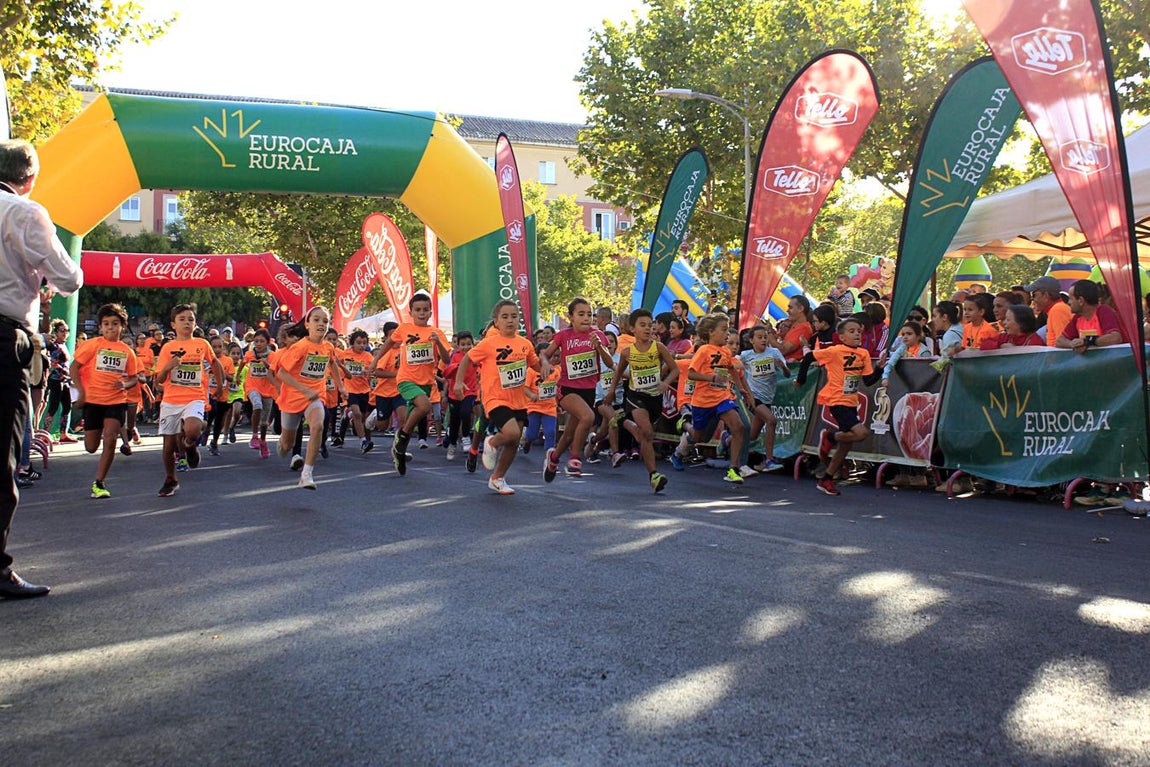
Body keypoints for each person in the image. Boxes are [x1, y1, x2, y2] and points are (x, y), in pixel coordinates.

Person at [0, 138, 84, 598]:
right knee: (4, 460)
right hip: (3, 337)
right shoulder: (25, 212)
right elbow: (69, 277)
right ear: (29, 179)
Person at [453, 300, 542, 494]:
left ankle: (497, 478)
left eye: (514, 316)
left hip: (518, 399)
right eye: (505, 317)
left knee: (514, 440)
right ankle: (491, 442)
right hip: (495, 398)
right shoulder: (489, 343)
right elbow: (467, 358)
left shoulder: (525, 344)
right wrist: (459, 382)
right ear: (496, 321)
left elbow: (535, 364)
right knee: (511, 433)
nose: (510, 320)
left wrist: (544, 366)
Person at [795, 317, 883, 496]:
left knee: (846, 445)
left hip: (851, 402)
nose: (857, 334)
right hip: (836, 400)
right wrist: (801, 379)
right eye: (852, 331)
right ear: (841, 337)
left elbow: (868, 380)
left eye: (859, 331)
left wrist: (880, 368)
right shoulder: (834, 351)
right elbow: (809, 356)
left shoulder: (864, 354)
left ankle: (826, 479)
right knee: (861, 433)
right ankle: (831, 437)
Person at [539, 298, 615, 481]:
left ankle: (554, 458)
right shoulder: (563, 335)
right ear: (570, 317)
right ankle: (574, 460)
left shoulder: (598, 335)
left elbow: (609, 362)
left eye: (589, 314)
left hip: (588, 390)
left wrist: (600, 346)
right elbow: (545, 354)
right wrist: (545, 364)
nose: (586, 318)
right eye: (581, 314)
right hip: (567, 389)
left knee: (568, 436)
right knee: (588, 417)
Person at [154, 304, 225, 497]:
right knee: (168, 446)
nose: (187, 322)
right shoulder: (168, 347)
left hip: (195, 397)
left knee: (193, 429)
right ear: (173, 325)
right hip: (171, 399)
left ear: (195, 324)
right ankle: (171, 479)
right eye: (182, 319)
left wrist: (219, 385)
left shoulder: (202, 344)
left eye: (191, 319)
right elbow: (158, 380)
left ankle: (189, 444)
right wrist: (168, 367)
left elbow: (215, 363)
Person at [69, 303, 139, 499]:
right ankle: (95, 433)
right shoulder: (92, 345)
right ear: (100, 326)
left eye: (115, 323)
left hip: (116, 401)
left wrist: (125, 385)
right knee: (91, 447)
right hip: (93, 401)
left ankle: (99, 482)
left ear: (122, 326)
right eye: (106, 324)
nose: (110, 327)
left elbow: (134, 377)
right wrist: (81, 392)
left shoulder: (127, 351)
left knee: (110, 439)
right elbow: (74, 367)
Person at [376, 294, 451, 476]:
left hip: (425, 383)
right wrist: (374, 361)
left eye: (425, 309)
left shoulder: (436, 333)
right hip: (406, 379)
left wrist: (438, 343)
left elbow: (447, 359)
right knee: (424, 406)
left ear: (430, 312)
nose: (422, 313)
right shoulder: (404, 329)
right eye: (418, 310)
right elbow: (389, 343)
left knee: (411, 421)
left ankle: (399, 450)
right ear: (411, 312)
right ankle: (401, 439)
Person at [605, 309, 678, 493]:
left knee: (646, 435)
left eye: (649, 325)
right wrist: (612, 390)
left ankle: (621, 419)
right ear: (633, 328)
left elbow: (675, 370)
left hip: (655, 397)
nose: (647, 328)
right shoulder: (627, 352)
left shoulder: (659, 348)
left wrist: (665, 382)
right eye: (642, 325)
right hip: (636, 396)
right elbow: (618, 372)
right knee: (646, 431)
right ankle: (654, 475)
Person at [275, 307, 345, 490]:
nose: (321, 324)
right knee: (287, 445)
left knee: (318, 426)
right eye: (316, 320)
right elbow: (281, 373)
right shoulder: (300, 347)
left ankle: (307, 474)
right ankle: (282, 443)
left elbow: (333, 364)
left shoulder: (328, 347)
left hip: (315, 396)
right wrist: (303, 390)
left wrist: (341, 386)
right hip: (292, 398)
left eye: (325, 321)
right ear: (307, 324)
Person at [673, 312, 747, 485]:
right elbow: (691, 373)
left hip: (722, 398)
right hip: (703, 401)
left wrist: (743, 389)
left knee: (739, 427)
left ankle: (734, 469)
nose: (727, 333)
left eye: (728, 329)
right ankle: (685, 424)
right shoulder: (704, 351)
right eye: (724, 330)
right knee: (700, 438)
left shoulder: (726, 352)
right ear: (710, 332)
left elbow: (732, 370)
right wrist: (711, 378)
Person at [739, 324, 790, 472]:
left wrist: (783, 367)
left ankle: (727, 440)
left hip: (768, 398)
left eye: (765, 337)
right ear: (751, 340)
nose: (763, 340)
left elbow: (786, 374)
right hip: (752, 397)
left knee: (752, 436)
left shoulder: (774, 353)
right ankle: (769, 460)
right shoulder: (746, 355)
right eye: (759, 337)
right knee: (772, 420)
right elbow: (732, 364)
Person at [1056, 278, 1125, 352]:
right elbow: (1059, 341)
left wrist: (1089, 342)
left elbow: (1116, 338)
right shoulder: (1078, 317)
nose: (1068, 302)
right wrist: (1072, 344)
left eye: (1071, 299)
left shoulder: (1103, 311)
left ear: (1081, 301)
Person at [242, 329, 277, 458]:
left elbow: (275, 370)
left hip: (268, 389)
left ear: (267, 343)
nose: (258, 344)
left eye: (262, 341)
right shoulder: (249, 354)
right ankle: (254, 435)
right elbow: (242, 363)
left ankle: (263, 441)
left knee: (264, 421)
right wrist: (238, 376)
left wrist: (266, 364)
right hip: (252, 386)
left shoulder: (273, 355)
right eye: (256, 341)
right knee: (257, 405)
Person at [1025, 276, 1072, 348]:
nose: (1032, 299)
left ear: (1046, 296)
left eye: (1034, 295)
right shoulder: (1055, 309)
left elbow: (1063, 343)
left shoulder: (1058, 310)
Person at [980, 305, 1045, 350]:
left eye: (1008, 320)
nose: (1004, 322)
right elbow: (984, 344)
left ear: (1021, 323)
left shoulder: (1034, 341)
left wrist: (1015, 350)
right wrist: (999, 346)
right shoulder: (1005, 337)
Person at [771, 295, 814, 363]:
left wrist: (769, 337)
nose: (787, 310)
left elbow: (783, 350)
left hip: (792, 369)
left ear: (801, 309)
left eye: (790, 307)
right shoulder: (796, 326)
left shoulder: (803, 328)